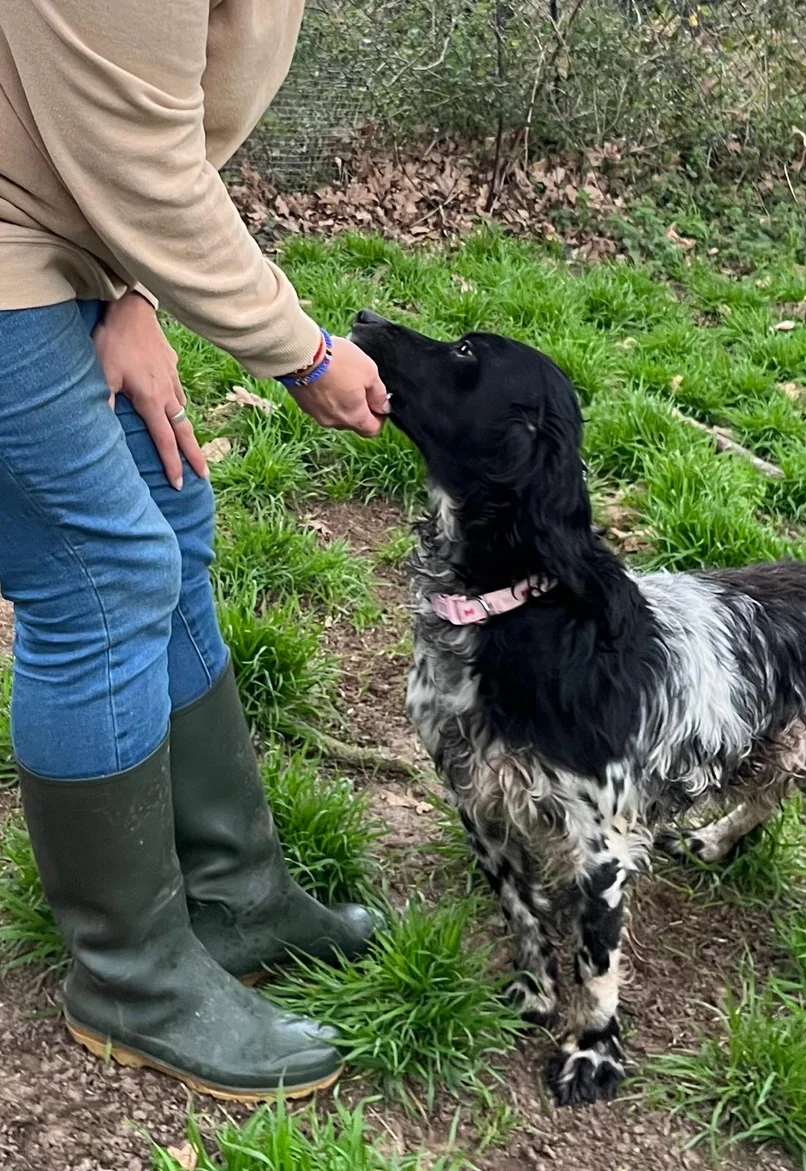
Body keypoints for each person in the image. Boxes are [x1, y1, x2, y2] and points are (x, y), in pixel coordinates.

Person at [0, 2, 390, 1100]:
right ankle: (129, 976)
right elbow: (139, 157)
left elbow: (170, 110)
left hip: (68, 224)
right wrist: (304, 353)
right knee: (99, 573)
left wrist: (133, 295)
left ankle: (232, 888)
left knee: (172, 514)